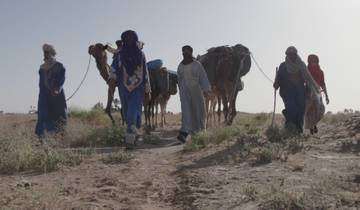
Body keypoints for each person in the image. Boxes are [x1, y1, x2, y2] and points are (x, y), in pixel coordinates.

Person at [111, 30, 151, 148]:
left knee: (131, 113)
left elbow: (145, 72)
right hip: (123, 87)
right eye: (126, 39)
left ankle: (129, 139)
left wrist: (148, 89)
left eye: (131, 38)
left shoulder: (141, 55)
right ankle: (135, 133)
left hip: (138, 87)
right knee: (129, 111)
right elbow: (113, 68)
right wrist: (112, 77)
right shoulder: (119, 55)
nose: (128, 41)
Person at [273, 46, 319, 134]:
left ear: (296, 54)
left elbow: (308, 78)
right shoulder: (283, 66)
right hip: (287, 92)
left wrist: (311, 90)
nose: (291, 56)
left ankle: (299, 130)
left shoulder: (301, 65)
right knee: (291, 109)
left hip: (300, 92)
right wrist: (276, 84)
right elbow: (278, 81)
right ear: (287, 55)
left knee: (301, 110)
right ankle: (290, 128)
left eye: (293, 54)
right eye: (289, 54)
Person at [177, 45, 211, 143]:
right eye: (184, 52)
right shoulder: (180, 66)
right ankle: (184, 132)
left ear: (191, 53)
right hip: (184, 92)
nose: (185, 54)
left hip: (196, 91)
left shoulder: (197, 65)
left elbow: (203, 77)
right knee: (186, 112)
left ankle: (200, 133)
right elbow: (179, 80)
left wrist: (206, 90)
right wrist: (181, 93)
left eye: (187, 52)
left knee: (199, 111)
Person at [35, 44, 67, 138]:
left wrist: (57, 89)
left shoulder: (59, 66)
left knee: (59, 115)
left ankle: (59, 137)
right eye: (44, 52)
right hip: (44, 96)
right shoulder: (42, 68)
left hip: (56, 95)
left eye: (47, 52)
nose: (45, 54)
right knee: (43, 115)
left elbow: (62, 79)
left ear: (52, 53)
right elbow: (41, 83)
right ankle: (41, 138)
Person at [305, 54, 329, 134]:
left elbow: (323, 84)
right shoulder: (306, 71)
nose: (313, 63)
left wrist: (327, 96)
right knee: (308, 111)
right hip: (308, 93)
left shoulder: (321, 72)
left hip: (318, 94)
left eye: (314, 61)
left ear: (317, 62)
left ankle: (314, 124)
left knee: (320, 110)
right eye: (311, 61)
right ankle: (311, 127)